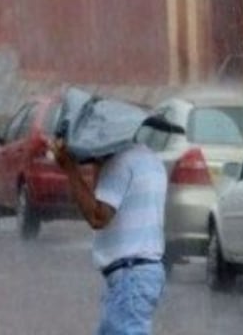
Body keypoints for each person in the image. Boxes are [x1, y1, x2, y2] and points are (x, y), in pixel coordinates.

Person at [53, 122, 167, 335]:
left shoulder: (121, 163)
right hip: (142, 273)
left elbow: (98, 216)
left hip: (129, 275)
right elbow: (108, 199)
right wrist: (99, 165)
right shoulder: (150, 159)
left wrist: (70, 169)